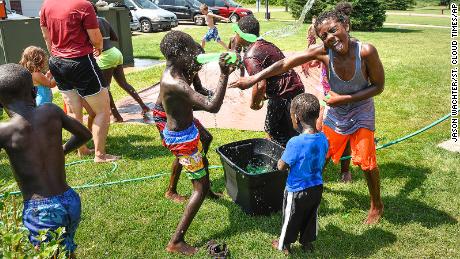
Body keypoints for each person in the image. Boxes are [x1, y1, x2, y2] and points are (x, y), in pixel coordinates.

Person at [230, 10, 385, 224]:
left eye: (333, 30)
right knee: (321, 153)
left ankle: (376, 205)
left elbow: (378, 87)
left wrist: (344, 98)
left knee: (367, 162)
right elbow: (285, 64)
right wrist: (254, 78)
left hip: (361, 111)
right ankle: (310, 195)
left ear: (345, 26)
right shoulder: (322, 52)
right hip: (338, 112)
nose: (330, 37)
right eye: (324, 35)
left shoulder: (365, 51)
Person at [0, 64, 92, 257]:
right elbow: (84, 134)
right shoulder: (51, 111)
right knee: (65, 248)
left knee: (49, 253)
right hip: (70, 200)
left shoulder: (5, 131)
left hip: (41, 211)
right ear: (34, 90)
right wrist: (63, 150)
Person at [159, 31, 235, 255]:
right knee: (198, 189)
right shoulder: (175, 83)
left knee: (203, 160)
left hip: (187, 133)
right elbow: (212, 106)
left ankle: (208, 190)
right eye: (192, 51)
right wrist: (223, 74)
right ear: (180, 54)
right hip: (183, 140)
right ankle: (176, 241)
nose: (195, 55)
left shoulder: (176, 73)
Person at [40, 0, 119, 162]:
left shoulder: (46, 5)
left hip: (57, 62)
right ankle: (100, 155)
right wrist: (99, 46)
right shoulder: (84, 5)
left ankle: (81, 149)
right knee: (102, 110)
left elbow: (46, 37)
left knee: (73, 110)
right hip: (81, 62)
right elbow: (96, 38)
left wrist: (56, 55)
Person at [231, 15, 304, 147]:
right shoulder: (265, 44)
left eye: (236, 32)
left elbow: (260, 84)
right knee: (294, 132)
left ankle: (277, 163)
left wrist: (254, 103)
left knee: (273, 134)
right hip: (296, 89)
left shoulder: (250, 56)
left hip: (282, 97)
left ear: (242, 35)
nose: (235, 36)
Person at [273, 93, 328, 255]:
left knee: (290, 218)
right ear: (316, 115)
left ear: (296, 118)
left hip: (296, 190)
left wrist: (279, 162)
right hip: (317, 187)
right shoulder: (323, 138)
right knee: (311, 216)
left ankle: (285, 245)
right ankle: (307, 243)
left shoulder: (295, 142)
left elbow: (282, 166)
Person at [153, 72, 217, 203]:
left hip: (181, 111)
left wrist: (213, 95)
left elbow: (199, 90)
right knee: (182, 150)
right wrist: (210, 102)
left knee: (205, 138)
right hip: (165, 113)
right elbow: (196, 102)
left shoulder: (192, 66)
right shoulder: (176, 72)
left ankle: (203, 181)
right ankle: (171, 191)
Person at [93, 5, 150, 122]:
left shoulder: (91, 24)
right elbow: (115, 38)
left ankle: (117, 116)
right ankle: (144, 106)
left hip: (105, 56)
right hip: (115, 53)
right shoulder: (103, 20)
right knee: (123, 83)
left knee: (105, 88)